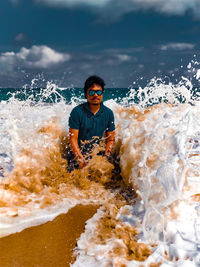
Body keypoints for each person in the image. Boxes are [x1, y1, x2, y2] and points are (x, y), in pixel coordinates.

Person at [68, 75, 115, 170]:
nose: (95, 95)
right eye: (92, 92)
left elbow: (111, 139)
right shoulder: (77, 112)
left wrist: (105, 158)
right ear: (86, 94)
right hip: (78, 157)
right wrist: (81, 160)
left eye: (98, 92)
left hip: (98, 156)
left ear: (102, 94)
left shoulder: (108, 113)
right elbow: (73, 139)